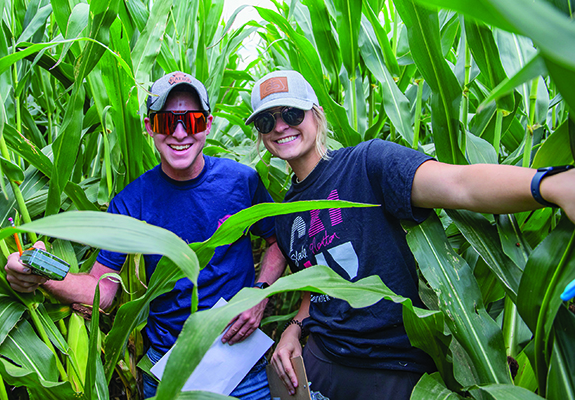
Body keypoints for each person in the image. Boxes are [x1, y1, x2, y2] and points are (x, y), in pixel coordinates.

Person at [244, 69, 575, 400]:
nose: (281, 127)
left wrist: (549, 185)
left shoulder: (367, 164)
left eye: (291, 113)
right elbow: (315, 289)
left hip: (394, 370)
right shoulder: (283, 213)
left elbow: (459, 185)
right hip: (322, 366)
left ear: (316, 114)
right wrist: (294, 328)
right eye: (266, 122)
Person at [6, 71, 287, 399]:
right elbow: (103, 291)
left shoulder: (241, 182)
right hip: (170, 371)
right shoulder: (131, 201)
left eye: (192, 121)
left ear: (208, 124)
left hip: (242, 367)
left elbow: (276, 242)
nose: (180, 133)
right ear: (149, 127)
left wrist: (259, 295)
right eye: (167, 122)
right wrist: (40, 274)